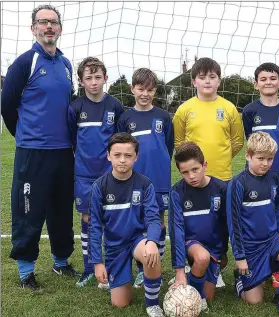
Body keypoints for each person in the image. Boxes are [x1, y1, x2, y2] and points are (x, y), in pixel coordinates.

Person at [1, 4, 77, 289]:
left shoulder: (67, 65)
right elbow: (7, 105)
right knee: (28, 210)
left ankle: (60, 262)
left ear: (59, 29)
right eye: (43, 22)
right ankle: (25, 271)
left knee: (60, 210)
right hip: (32, 153)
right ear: (33, 28)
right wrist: (24, 134)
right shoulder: (24, 63)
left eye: (53, 22)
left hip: (62, 152)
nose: (49, 27)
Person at [173, 57, 244, 286]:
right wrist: (194, 167)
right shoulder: (185, 109)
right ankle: (191, 260)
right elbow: (179, 143)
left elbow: (237, 141)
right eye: (202, 77)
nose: (207, 81)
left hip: (222, 176)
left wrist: (219, 159)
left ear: (219, 81)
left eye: (212, 77)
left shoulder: (229, 108)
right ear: (194, 81)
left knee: (220, 224)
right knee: (194, 222)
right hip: (193, 179)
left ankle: (218, 265)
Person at [226, 132, 279, 312]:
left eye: (270, 159)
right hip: (251, 248)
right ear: (248, 155)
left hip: (272, 240)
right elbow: (234, 224)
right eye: (260, 158)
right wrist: (240, 257)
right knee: (254, 301)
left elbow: (278, 207)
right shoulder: (238, 184)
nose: (265, 163)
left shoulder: (274, 178)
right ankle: (240, 279)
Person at [88, 132, 165, 317]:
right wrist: (97, 263)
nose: (122, 160)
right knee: (120, 304)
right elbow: (95, 227)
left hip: (137, 240)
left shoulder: (144, 184)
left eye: (128, 155)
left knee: (150, 254)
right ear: (108, 156)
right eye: (117, 155)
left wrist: (152, 241)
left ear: (136, 157)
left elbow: (153, 218)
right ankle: (121, 279)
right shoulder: (99, 187)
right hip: (115, 246)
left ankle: (152, 304)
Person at [67, 56, 124, 288]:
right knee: (88, 220)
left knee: (111, 219)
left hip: (110, 175)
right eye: (88, 78)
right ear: (81, 81)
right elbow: (72, 139)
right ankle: (89, 268)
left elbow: (120, 140)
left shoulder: (115, 106)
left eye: (97, 77)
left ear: (105, 79)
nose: (93, 82)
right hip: (84, 175)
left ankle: (110, 267)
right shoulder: (75, 108)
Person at [242, 62, 279, 288]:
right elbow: (250, 140)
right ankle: (256, 263)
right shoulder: (250, 111)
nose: (268, 82)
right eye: (263, 79)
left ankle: (275, 269)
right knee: (259, 220)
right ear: (256, 84)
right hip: (255, 178)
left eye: (273, 78)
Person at [117, 68, 173, 288]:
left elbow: (168, 147)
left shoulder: (162, 116)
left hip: (159, 179)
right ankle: (138, 268)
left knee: (158, 220)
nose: (145, 94)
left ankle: (153, 265)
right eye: (140, 89)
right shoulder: (125, 118)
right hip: (133, 180)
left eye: (150, 90)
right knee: (135, 221)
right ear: (132, 89)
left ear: (155, 91)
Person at [168, 142, 228, 313]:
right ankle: (190, 292)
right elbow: (177, 230)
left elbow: (228, 224)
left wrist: (223, 251)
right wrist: (179, 268)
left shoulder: (221, 189)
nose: (191, 176)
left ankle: (190, 277)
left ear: (205, 165)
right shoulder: (177, 192)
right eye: (185, 172)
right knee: (201, 258)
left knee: (208, 297)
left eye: (195, 169)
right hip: (191, 244)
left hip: (214, 248)